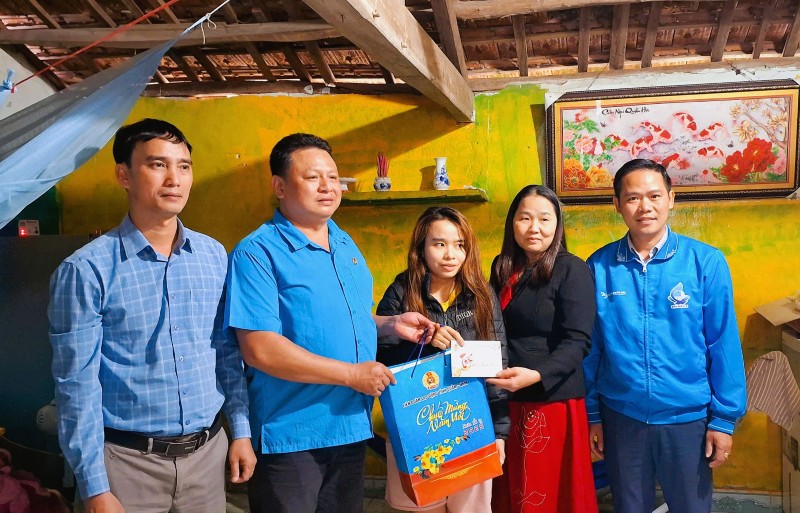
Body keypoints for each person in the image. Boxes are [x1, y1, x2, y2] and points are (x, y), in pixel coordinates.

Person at [48, 118, 256, 513]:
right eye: (157, 165)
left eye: (184, 165)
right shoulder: (86, 271)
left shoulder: (213, 256)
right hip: (125, 465)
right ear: (123, 175)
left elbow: (226, 353)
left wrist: (240, 432)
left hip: (206, 455)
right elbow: (77, 386)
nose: (174, 179)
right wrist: (94, 487)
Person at [224, 133, 436, 513]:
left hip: (350, 427)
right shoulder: (257, 253)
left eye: (334, 177)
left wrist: (388, 325)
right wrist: (352, 376)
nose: (328, 187)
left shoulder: (343, 243)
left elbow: (335, 318)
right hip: (293, 436)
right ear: (280, 186)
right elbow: (259, 348)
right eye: (312, 177)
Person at [583, 158, 747, 513]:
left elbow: (723, 344)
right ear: (617, 204)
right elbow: (590, 350)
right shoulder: (598, 267)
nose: (645, 207)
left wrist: (723, 419)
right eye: (633, 198)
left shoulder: (705, 262)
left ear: (671, 199)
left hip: (687, 419)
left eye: (655, 196)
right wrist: (593, 415)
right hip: (621, 418)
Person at [376, 206, 509, 513]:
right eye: (439, 244)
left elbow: (496, 367)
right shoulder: (401, 291)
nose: (451, 254)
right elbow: (379, 356)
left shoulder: (481, 295)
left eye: (459, 245)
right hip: (417, 429)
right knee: (421, 507)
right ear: (421, 248)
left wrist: (500, 434)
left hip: (469, 429)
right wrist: (422, 341)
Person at [486, 185, 598, 513]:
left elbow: (578, 342)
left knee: (546, 494)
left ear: (557, 225)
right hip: (507, 398)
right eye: (525, 218)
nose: (534, 228)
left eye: (544, 219)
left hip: (551, 401)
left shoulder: (572, 269)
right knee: (512, 490)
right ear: (512, 224)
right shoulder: (502, 267)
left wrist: (535, 375)